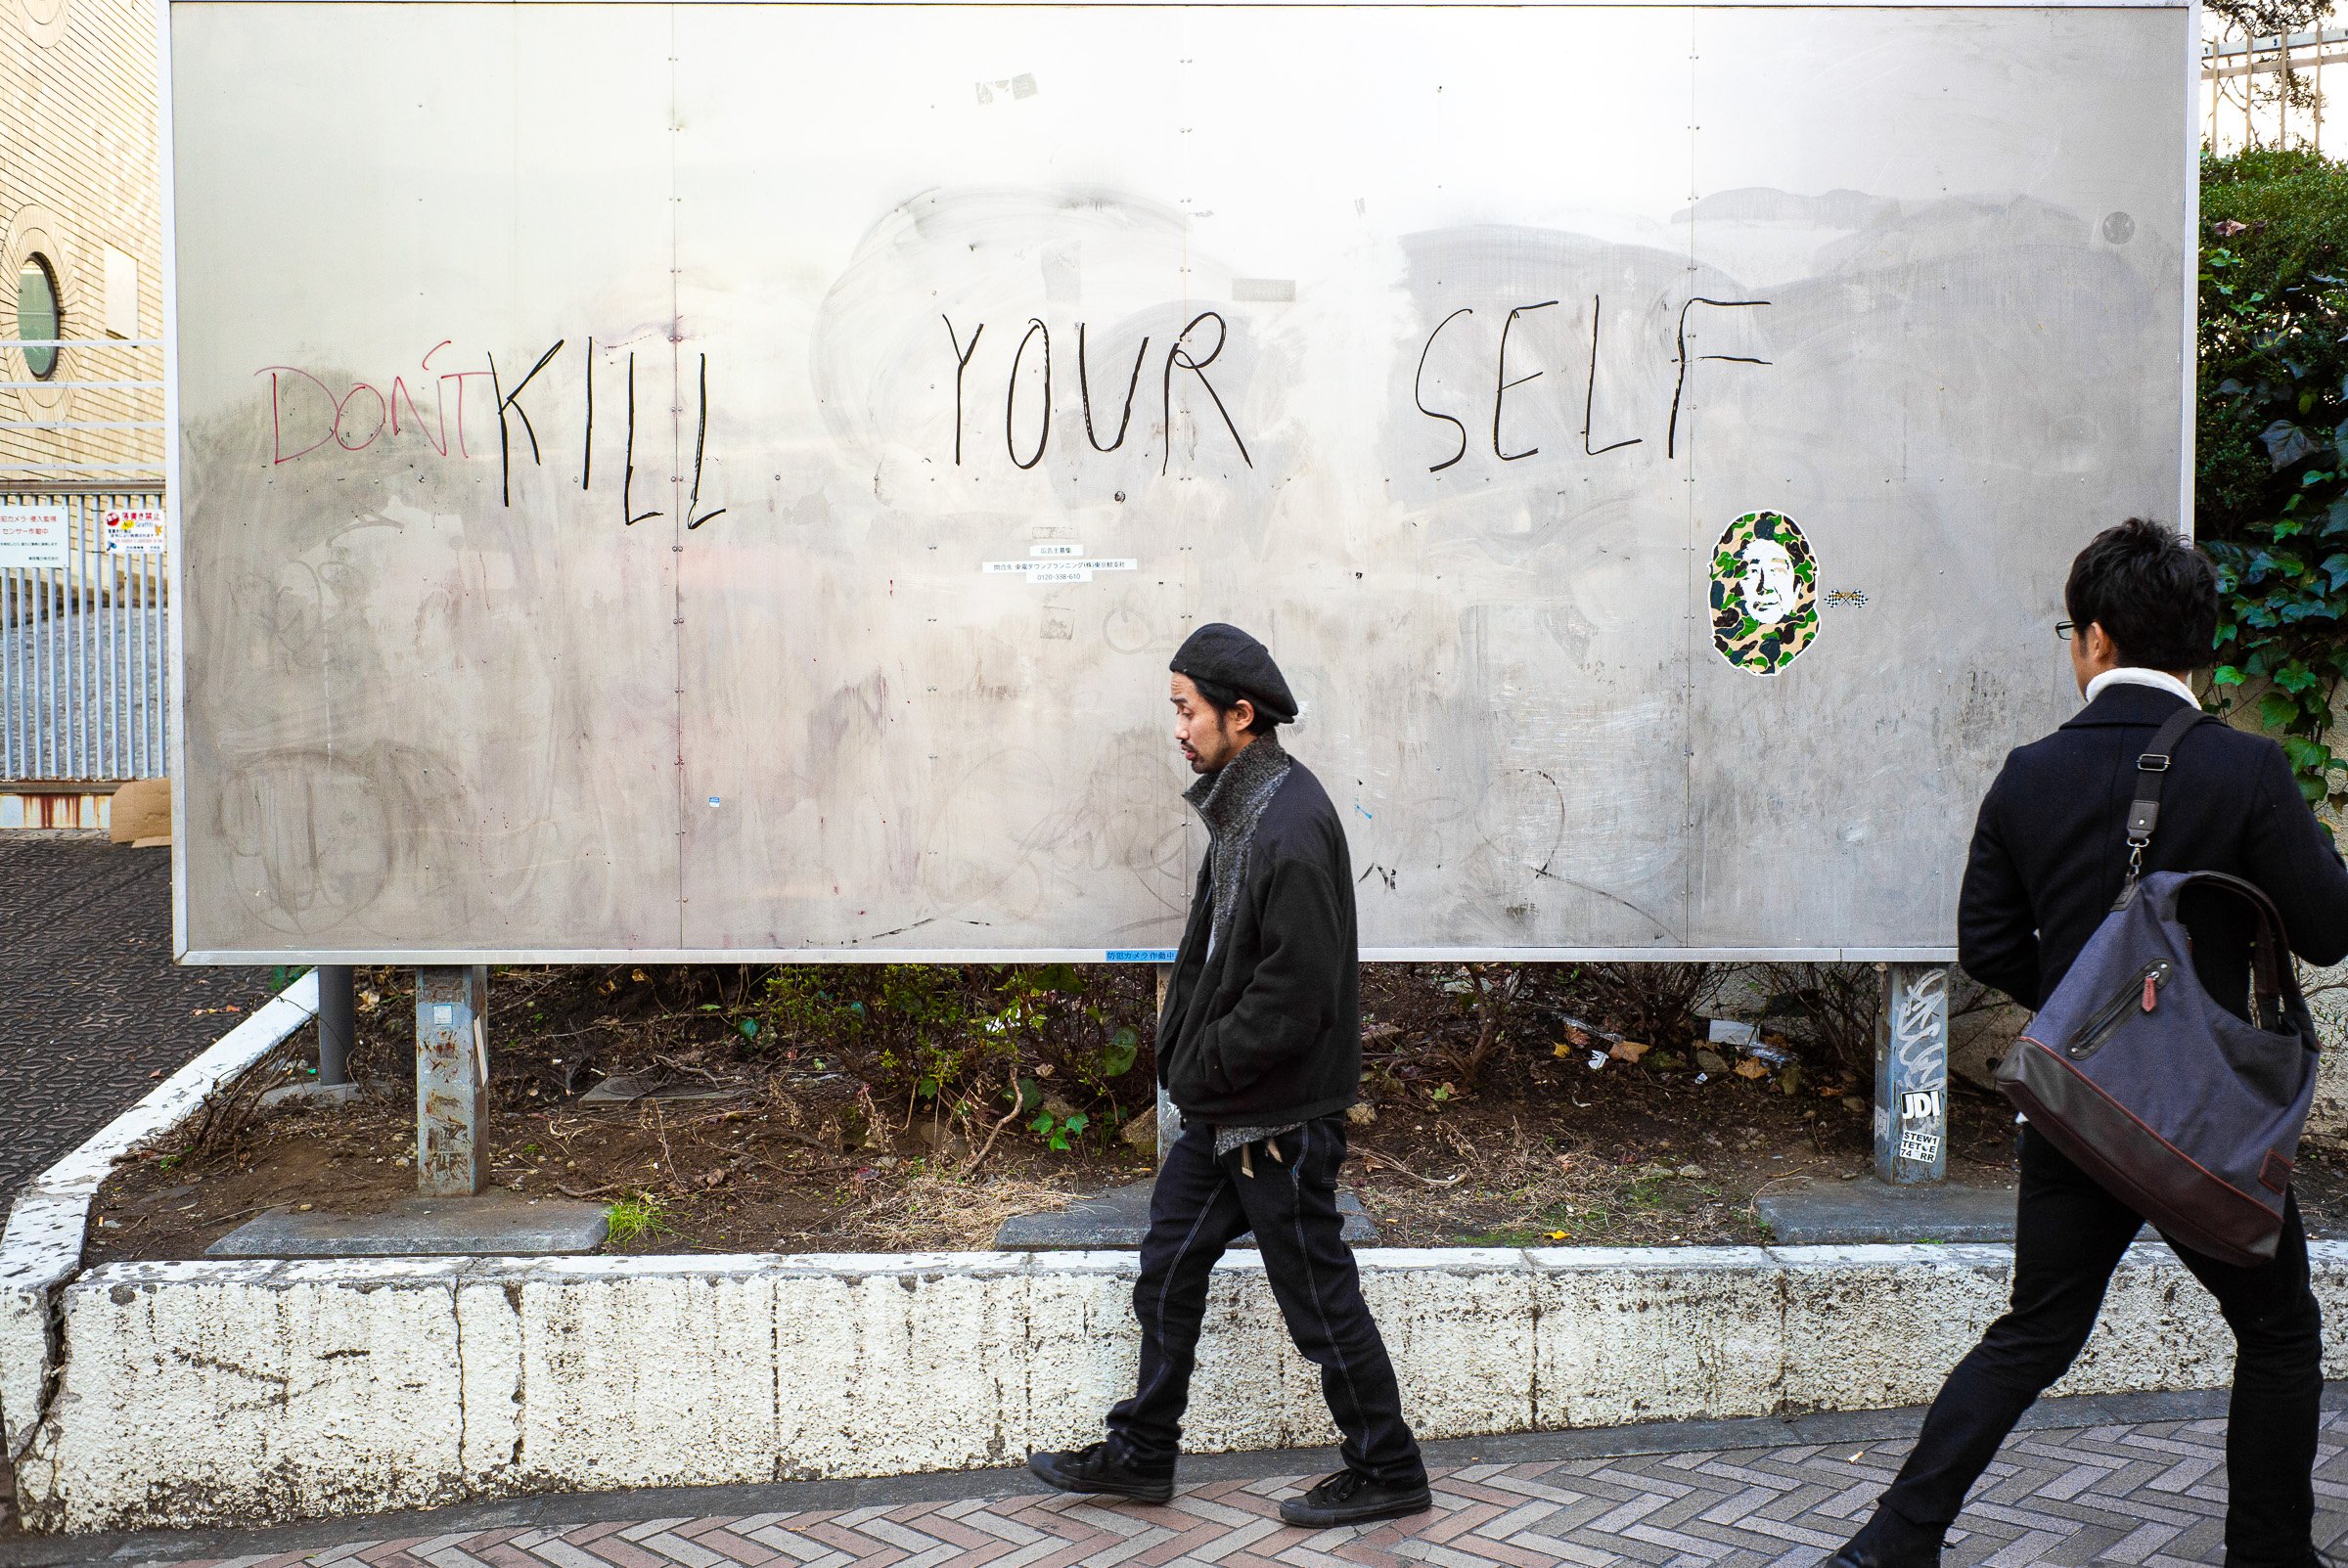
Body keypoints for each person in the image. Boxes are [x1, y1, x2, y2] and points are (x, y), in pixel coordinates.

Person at [1831, 518, 2348, 1568]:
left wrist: (2087, 1016)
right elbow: (2330, 929)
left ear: (2097, 638)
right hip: (2207, 1120)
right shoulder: (2247, 769)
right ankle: (2268, 1555)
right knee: (2279, 1331)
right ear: (2198, 645)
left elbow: (1987, 943)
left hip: (2082, 1109)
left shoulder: (2029, 773)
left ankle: (1894, 1541)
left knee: (2036, 1330)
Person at [1026, 622, 1432, 1528]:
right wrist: (1196, 1067)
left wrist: (1201, 1065)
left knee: (1318, 1301)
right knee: (1168, 1266)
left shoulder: (1288, 824)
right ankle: (1142, 1452)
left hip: (1276, 1121)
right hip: (1228, 1111)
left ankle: (1389, 1467)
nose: (1177, 727)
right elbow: (1219, 957)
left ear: (1239, 713)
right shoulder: (1245, 808)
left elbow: (1296, 996)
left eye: (1187, 709)